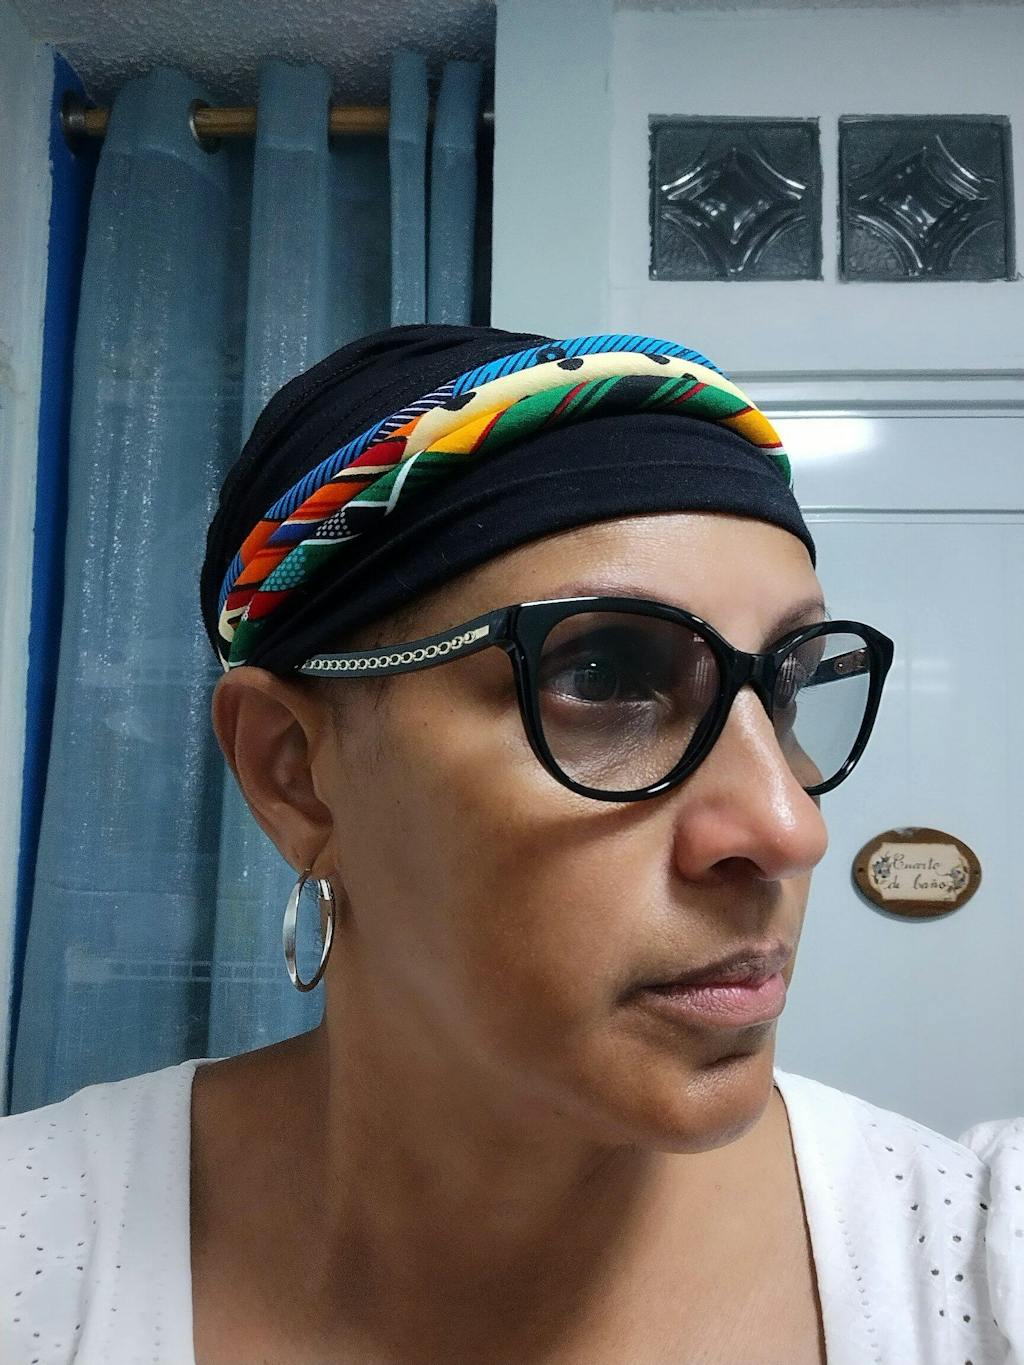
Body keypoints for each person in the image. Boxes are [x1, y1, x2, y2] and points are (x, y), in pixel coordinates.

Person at [1, 325, 1020, 1365]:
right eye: (605, 677)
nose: (788, 827)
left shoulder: (974, 1264)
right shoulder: (32, 1254)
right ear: (295, 772)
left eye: (787, 689)